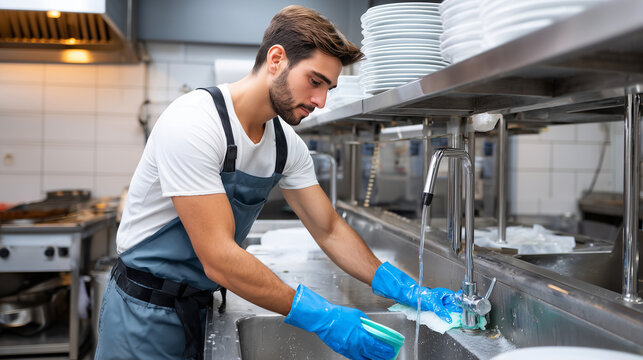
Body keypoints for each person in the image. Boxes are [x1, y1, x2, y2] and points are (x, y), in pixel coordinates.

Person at [95, 5, 460, 360]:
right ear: (276, 59)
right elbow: (219, 257)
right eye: (315, 81)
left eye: (329, 88)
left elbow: (329, 229)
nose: (319, 100)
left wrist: (405, 288)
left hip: (199, 307)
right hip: (142, 313)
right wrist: (322, 316)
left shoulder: (286, 146)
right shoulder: (194, 122)